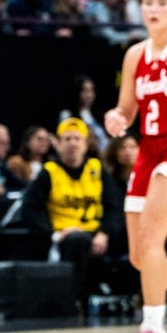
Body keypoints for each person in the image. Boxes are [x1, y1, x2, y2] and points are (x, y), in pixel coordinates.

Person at [104, 0, 167, 333]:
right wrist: (116, 117)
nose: (153, 8)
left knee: (154, 239)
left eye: (161, 2)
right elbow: (128, 109)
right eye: (147, 2)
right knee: (141, 255)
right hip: (148, 151)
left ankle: (154, 329)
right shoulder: (135, 54)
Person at [19, 117, 126, 306]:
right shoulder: (49, 172)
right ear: (58, 144)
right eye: (67, 139)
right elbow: (29, 210)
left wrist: (104, 233)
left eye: (77, 139)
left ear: (85, 144)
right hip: (65, 234)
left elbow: (115, 207)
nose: (73, 144)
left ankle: (140, 295)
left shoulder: (96, 168)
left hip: (97, 232)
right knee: (78, 240)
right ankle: (76, 300)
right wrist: (53, 235)